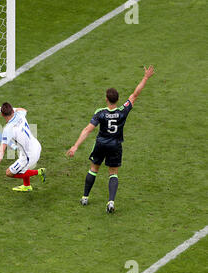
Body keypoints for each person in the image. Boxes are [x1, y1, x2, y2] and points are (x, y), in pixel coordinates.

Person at [66, 65, 155, 213]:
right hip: (115, 145)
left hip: (100, 144)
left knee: (93, 169)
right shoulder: (123, 111)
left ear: (106, 99)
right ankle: (111, 202)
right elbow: (135, 94)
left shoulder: (100, 113)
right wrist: (145, 77)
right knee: (113, 173)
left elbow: (88, 129)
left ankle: (85, 197)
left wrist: (75, 146)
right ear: (118, 99)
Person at [0, 102, 46, 191]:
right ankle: (27, 186)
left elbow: (1, 151)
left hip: (29, 155)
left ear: (2, 114)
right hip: (36, 145)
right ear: (12, 110)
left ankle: (39, 172)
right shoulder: (19, 114)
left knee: (9, 173)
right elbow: (23, 110)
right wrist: (3, 108)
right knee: (22, 159)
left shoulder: (8, 129)